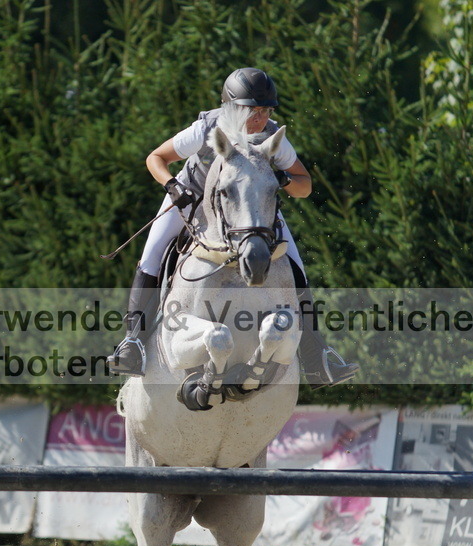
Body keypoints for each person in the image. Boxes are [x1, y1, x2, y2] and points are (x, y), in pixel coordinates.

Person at [107, 67, 358, 389]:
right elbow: (156, 158)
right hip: (192, 197)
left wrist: (283, 178)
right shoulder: (206, 128)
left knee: (296, 268)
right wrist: (172, 186)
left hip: (248, 208)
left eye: (266, 110)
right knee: (152, 256)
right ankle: (133, 343)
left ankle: (316, 355)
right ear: (231, 107)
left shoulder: (273, 137)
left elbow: (304, 186)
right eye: (253, 110)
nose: (260, 118)